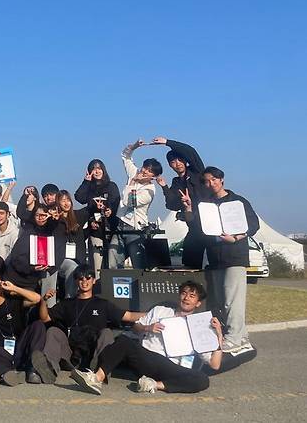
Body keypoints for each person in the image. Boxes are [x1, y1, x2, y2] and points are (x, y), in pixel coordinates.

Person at [70, 281, 223, 395]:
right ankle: (96, 379)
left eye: (192, 296)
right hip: (147, 358)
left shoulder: (199, 326)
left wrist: (219, 335)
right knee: (124, 341)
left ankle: (154, 384)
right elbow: (135, 328)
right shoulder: (160, 311)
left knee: (202, 379)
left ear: (198, 303)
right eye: (184, 293)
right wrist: (148, 328)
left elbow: (214, 365)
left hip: (171, 366)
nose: (186, 298)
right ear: (179, 295)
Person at [187, 166, 259, 352]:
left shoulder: (238, 201)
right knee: (219, 300)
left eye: (213, 180)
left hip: (235, 257)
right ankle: (240, 336)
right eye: (207, 181)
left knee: (232, 300)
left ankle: (234, 337)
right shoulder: (207, 205)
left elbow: (253, 224)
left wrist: (235, 238)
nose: (211, 184)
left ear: (222, 179)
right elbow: (198, 228)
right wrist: (188, 209)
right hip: (215, 258)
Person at [32, 265, 143, 384]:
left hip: (94, 355)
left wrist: (156, 312)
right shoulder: (67, 304)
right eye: (80, 278)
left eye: (88, 278)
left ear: (94, 280)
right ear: (76, 281)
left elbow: (130, 316)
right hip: (72, 355)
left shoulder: (103, 304)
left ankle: (100, 372)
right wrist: (44, 301)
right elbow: (45, 318)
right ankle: (49, 369)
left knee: (107, 332)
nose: (84, 281)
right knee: (53, 331)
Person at [151, 136, 210, 269]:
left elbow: (191, 152)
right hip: (194, 227)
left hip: (210, 224)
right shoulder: (176, 183)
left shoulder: (197, 172)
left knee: (212, 262)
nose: (177, 164)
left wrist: (167, 142)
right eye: (172, 162)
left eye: (179, 160)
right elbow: (172, 205)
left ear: (185, 160)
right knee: (189, 262)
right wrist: (164, 187)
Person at [108, 140, 163, 269]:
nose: (144, 171)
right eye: (145, 167)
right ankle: (114, 286)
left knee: (138, 265)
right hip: (121, 225)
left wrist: (132, 183)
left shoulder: (150, 190)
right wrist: (134, 147)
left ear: (154, 176)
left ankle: (140, 287)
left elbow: (130, 202)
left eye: (149, 171)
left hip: (135, 229)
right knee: (113, 260)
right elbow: (125, 156)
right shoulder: (135, 173)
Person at [5, 203, 66, 306]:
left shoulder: (56, 230)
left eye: (43, 215)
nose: (40, 218)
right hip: (19, 277)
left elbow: (59, 249)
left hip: (40, 276)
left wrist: (54, 218)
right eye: (37, 215)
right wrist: (31, 267)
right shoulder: (29, 232)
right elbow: (16, 258)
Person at [74, 159, 121, 277]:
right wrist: (86, 182)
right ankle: (98, 288)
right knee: (96, 264)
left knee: (113, 262)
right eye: (94, 169)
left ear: (103, 170)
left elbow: (116, 202)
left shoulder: (111, 185)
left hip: (112, 229)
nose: (97, 171)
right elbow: (79, 197)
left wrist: (108, 209)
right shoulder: (89, 187)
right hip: (95, 230)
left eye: (99, 168)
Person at [56, 190, 90, 298]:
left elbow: (90, 207)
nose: (66, 203)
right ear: (58, 203)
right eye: (63, 201)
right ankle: (69, 300)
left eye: (68, 200)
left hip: (78, 258)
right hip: (61, 259)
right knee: (72, 268)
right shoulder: (55, 220)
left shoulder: (78, 216)